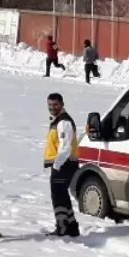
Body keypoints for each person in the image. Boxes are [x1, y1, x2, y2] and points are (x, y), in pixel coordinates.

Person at [44, 93, 80, 238]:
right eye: (50, 105)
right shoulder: (58, 120)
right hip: (63, 163)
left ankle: (62, 227)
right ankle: (71, 226)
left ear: (62, 104)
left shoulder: (63, 122)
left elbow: (65, 147)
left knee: (58, 196)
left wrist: (57, 165)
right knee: (62, 195)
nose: (52, 108)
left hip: (64, 164)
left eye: (55, 105)